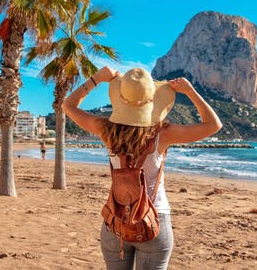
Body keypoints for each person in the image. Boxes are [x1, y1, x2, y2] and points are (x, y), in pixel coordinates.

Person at [62, 66, 222, 269]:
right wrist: (190, 91)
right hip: (154, 221)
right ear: (151, 101)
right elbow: (213, 125)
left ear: (120, 99)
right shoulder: (162, 134)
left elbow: (68, 105)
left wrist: (97, 79)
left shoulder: (106, 130)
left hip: (116, 219)